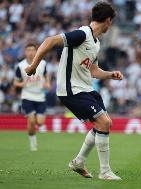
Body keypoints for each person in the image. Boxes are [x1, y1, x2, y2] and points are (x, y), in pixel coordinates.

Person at [25, 2, 122, 180]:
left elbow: (93, 71)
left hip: (85, 88)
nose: (111, 25)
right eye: (111, 22)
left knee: (105, 123)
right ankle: (105, 171)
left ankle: (78, 162)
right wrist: (33, 66)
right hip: (71, 90)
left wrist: (110, 74)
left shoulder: (95, 43)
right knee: (104, 123)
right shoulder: (82, 34)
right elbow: (50, 41)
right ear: (108, 20)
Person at [14, 43, 50, 151]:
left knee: (40, 122)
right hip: (27, 96)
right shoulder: (20, 66)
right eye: (28, 50)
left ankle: (31, 122)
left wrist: (47, 83)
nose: (30, 52)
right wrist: (21, 84)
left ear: (36, 51)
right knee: (32, 121)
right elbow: (15, 82)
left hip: (40, 96)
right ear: (25, 52)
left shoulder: (42, 63)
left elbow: (46, 75)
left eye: (32, 50)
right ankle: (33, 145)